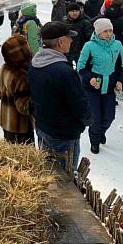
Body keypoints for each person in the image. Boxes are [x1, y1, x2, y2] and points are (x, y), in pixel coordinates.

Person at [28, 21, 92, 169]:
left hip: (43, 127)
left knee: (47, 170)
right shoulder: (64, 71)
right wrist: (87, 120)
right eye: (69, 38)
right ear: (60, 42)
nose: (71, 40)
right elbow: (79, 103)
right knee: (64, 181)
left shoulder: (36, 63)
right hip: (63, 134)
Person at [77, 18, 123, 154]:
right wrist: (90, 78)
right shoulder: (89, 46)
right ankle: (94, 141)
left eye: (110, 30)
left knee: (109, 117)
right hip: (93, 88)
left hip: (110, 87)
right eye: (105, 31)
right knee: (96, 118)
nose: (108, 34)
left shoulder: (117, 45)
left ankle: (101, 132)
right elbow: (80, 67)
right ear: (98, 32)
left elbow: (121, 65)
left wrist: (120, 80)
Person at [0, 35, 34, 144]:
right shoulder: (21, 75)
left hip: (6, 121)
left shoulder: (5, 68)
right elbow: (23, 106)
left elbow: (0, 93)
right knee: (24, 159)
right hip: (20, 127)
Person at [63, 3, 93, 67]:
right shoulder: (64, 21)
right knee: (67, 70)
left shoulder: (85, 21)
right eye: (72, 11)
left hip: (81, 51)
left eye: (76, 11)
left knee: (81, 69)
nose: (75, 13)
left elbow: (89, 36)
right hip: (67, 51)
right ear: (68, 12)